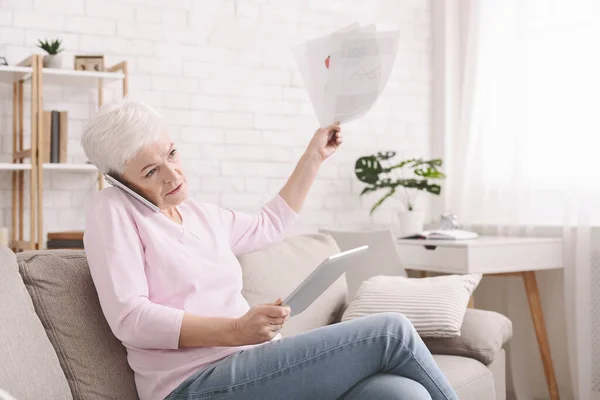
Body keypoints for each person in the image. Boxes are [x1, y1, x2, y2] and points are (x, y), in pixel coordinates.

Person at [81, 100, 458, 400]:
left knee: (401, 393)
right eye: (150, 172)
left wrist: (315, 155)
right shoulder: (112, 209)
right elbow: (130, 317)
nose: (173, 174)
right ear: (121, 182)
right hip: (192, 385)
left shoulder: (199, 215)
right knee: (391, 331)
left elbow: (269, 225)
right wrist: (236, 330)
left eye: (173, 154)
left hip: (252, 365)